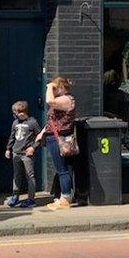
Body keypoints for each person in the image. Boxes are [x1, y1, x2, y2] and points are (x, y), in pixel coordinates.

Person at [37, 76, 76, 211]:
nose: (54, 89)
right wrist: (42, 133)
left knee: (62, 170)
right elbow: (51, 121)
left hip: (60, 138)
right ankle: (63, 197)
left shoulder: (67, 99)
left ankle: (65, 198)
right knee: (61, 169)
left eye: (56, 87)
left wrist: (48, 87)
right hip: (54, 137)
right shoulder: (61, 100)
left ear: (62, 87)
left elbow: (49, 101)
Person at [5, 100, 40, 209]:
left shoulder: (32, 122)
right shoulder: (15, 123)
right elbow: (12, 136)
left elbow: (39, 137)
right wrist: (8, 149)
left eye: (16, 112)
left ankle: (31, 199)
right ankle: (15, 196)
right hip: (16, 152)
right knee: (16, 175)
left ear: (22, 112)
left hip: (27, 154)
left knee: (30, 175)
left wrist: (33, 147)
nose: (14, 115)